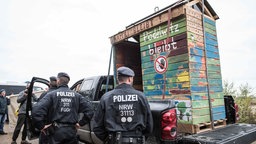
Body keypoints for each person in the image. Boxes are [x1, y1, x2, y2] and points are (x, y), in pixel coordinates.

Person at [93, 66, 153, 144]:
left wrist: (109, 139)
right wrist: (140, 138)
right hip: (137, 140)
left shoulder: (106, 97)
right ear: (130, 79)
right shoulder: (141, 97)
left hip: (114, 140)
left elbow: (97, 127)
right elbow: (149, 125)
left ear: (118, 79)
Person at [32, 72, 94, 144]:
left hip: (56, 132)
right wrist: (80, 123)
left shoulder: (52, 95)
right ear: (67, 82)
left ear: (58, 81)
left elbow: (36, 110)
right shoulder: (77, 96)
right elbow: (90, 110)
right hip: (71, 132)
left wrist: (41, 126)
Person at [37, 76, 58, 144]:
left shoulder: (45, 94)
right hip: (60, 127)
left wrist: (41, 126)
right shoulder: (62, 94)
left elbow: (37, 110)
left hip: (47, 126)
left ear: (49, 83)